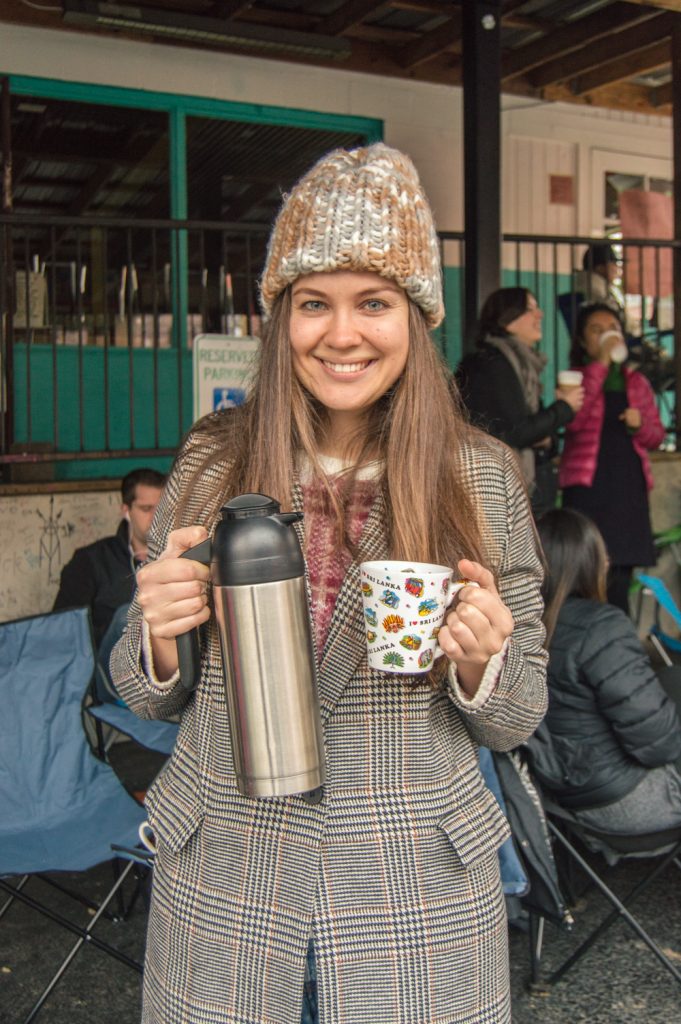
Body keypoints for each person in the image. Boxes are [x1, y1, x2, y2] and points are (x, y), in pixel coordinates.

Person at [111, 143, 548, 1024]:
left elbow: (519, 713)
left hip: (412, 891)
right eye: (313, 303)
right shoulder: (210, 462)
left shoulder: (481, 477)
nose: (341, 334)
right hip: (227, 882)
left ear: (416, 319)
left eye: (373, 303)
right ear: (280, 319)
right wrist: (156, 634)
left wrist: (479, 663)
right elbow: (142, 694)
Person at [533, 508, 681, 834]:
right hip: (626, 800)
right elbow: (660, 744)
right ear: (591, 561)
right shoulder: (601, 626)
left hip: (559, 800)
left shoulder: (519, 628)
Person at [559, 302, 665, 613]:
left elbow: (656, 436)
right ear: (582, 341)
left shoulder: (637, 382)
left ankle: (616, 647)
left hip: (627, 491)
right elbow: (573, 421)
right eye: (597, 330)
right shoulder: (575, 378)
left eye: (613, 329)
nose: (608, 335)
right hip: (588, 492)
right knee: (582, 571)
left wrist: (640, 425)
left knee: (619, 579)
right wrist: (601, 366)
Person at [456, 287, 583, 518]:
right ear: (508, 319)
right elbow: (515, 432)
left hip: (524, 490)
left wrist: (547, 437)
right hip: (496, 492)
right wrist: (564, 408)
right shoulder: (492, 364)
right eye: (530, 309)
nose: (540, 315)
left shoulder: (522, 366)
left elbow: (533, 431)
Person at [53, 467, 166, 647]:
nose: (156, 518)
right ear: (126, 510)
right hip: (107, 661)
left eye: (162, 509)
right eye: (146, 509)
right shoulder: (90, 560)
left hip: (165, 658)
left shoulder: (177, 557)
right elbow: (64, 628)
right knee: (127, 616)